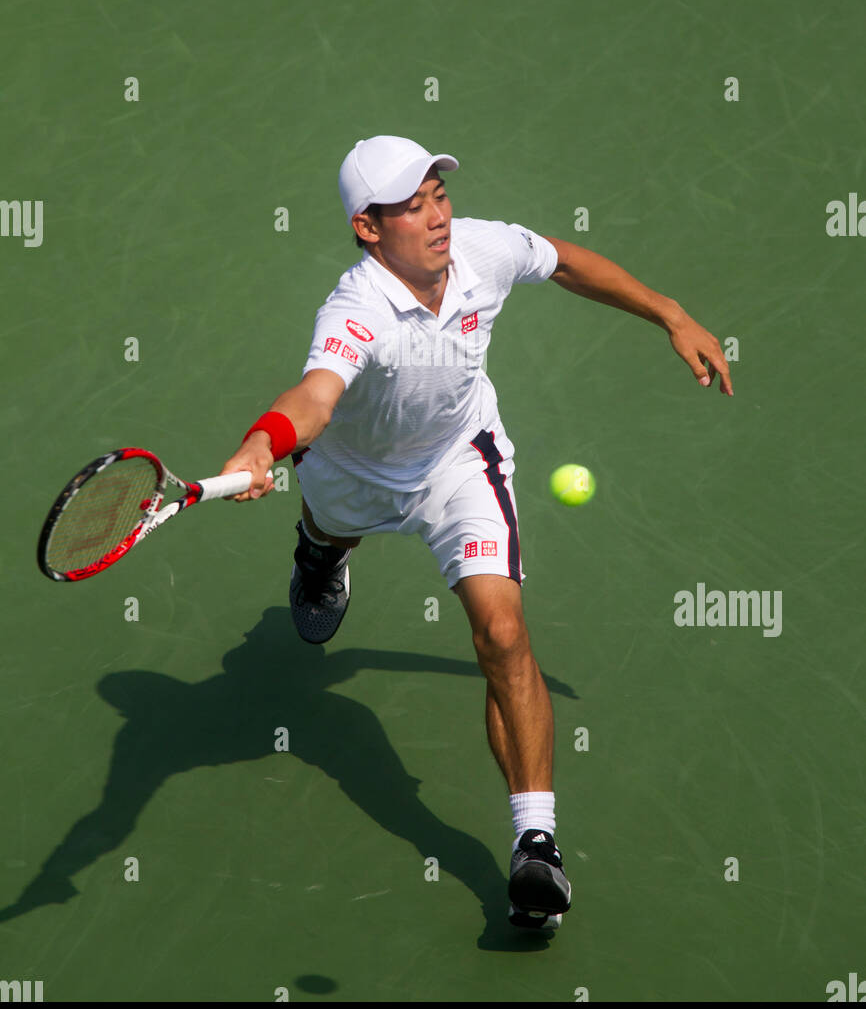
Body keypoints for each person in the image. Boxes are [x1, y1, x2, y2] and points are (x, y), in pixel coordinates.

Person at [220, 135, 734, 932]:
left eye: (439, 195)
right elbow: (316, 397)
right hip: (352, 472)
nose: (437, 217)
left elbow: (563, 261)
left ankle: (537, 845)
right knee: (328, 528)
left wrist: (671, 313)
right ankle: (319, 556)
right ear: (367, 227)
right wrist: (262, 444)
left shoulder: (483, 251)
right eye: (413, 206)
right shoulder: (355, 309)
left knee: (502, 631)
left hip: (461, 463)